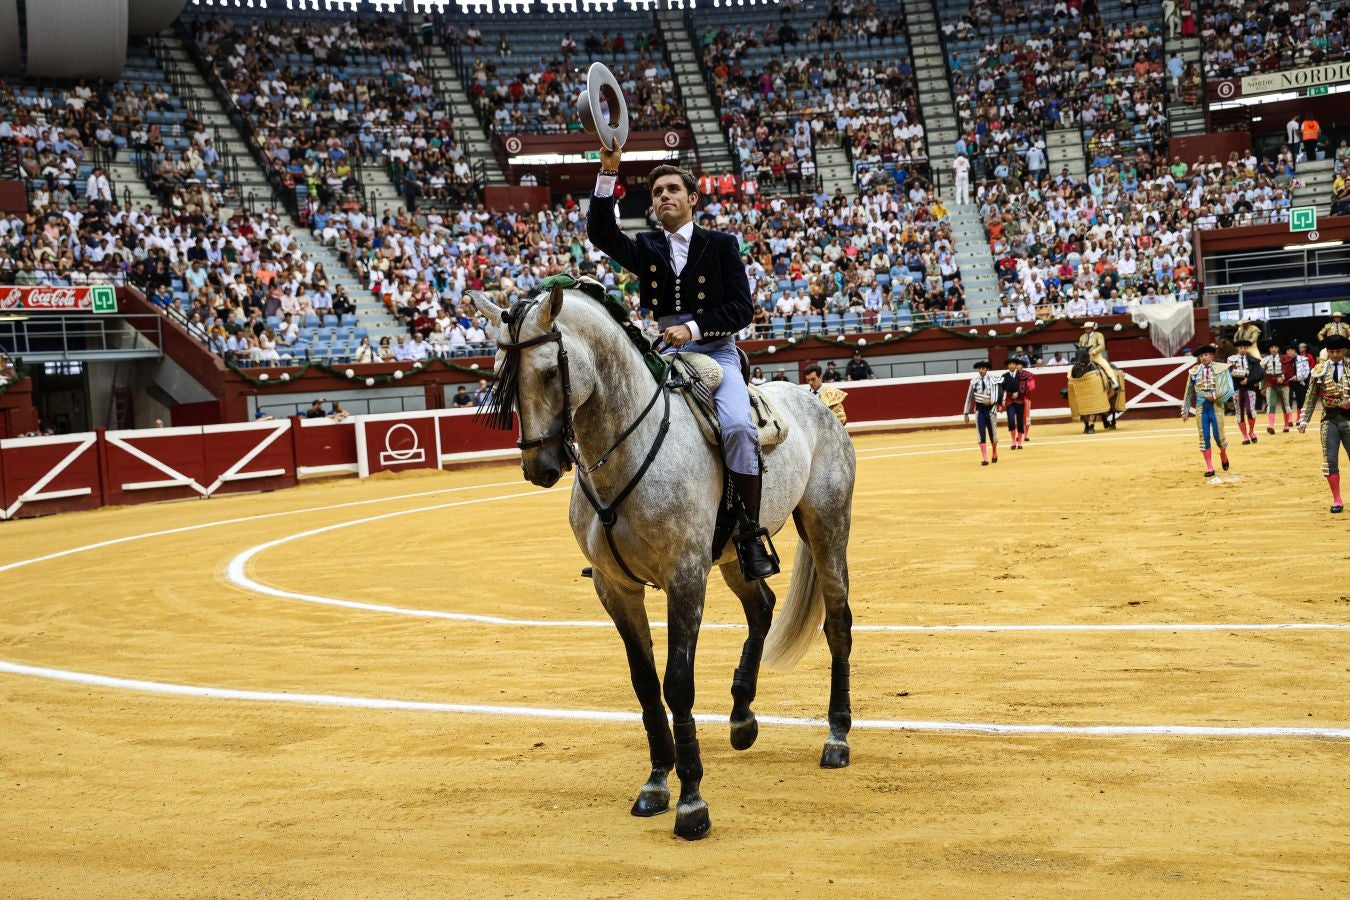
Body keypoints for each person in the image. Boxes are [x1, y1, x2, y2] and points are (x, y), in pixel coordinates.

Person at [588, 147, 777, 579]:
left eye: (672, 189)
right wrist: (608, 171)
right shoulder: (648, 246)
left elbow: (742, 309)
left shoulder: (722, 244)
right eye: (657, 192)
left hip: (717, 350)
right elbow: (601, 232)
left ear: (692, 198)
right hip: (666, 354)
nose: (664, 196)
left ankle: (749, 533)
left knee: (737, 427)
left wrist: (692, 329)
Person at [1297, 334, 1350, 513]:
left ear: (1344, 350)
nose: (1335, 355)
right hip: (1329, 419)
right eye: (1331, 351)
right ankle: (1337, 499)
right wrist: (1304, 419)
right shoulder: (1319, 370)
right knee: (1330, 460)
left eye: (1338, 351)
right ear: (1327, 351)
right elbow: (1311, 396)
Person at [1181, 344, 1234, 477]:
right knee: (1204, 438)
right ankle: (1209, 467)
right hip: (1201, 408)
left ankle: (1223, 454)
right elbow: (1189, 391)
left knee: (1218, 437)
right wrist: (1185, 409)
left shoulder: (1221, 368)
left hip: (1216, 407)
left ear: (1211, 356)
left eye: (1206, 355)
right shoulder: (1194, 371)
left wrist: (1215, 396)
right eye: (1201, 356)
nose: (1203, 358)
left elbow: (1229, 387)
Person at [962, 360, 1001, 466]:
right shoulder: (973, 381)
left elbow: (999, 394)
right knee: (981, 434)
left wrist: (992, 401)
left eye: (983, 368)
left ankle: (994, 452)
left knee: (993, 434)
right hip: (979, 411)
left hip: (991, 410)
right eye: (979, 369)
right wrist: (966, 413)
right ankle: (984, 458)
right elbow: (969, 398)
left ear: (986, 369)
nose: (981, 370)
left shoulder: (993, 380)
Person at [1228, 337, 1263, 444]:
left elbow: (1259, 374)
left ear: (1247, 348)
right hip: (1237, 388)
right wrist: (1239, 380)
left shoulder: (1253, 360)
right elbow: (1229, 373)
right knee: (1239, 412)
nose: (1243, 349)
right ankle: (1245, 436)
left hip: (1250, 387)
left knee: (1250, 411)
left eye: (1245, 347)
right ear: (1237, 348)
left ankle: (1251, 432)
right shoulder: (1231, 360)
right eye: (1240, 347)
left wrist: (1248, 380)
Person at [1261, 342, 1293, 434]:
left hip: (1283, 384)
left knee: (1285, 405)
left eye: (1275, 347)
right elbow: (1262, 375)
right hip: (1271, 385)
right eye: (1272, 347)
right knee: (1271, 405)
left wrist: (1283, 378)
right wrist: (1262, 387)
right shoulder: (1265, 360)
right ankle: (1271, 426)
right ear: (1269, 349)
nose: (1274, 349)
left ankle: (1286, 425)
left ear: (1278, 349)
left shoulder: (1285, 358)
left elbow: (1290, 370)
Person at [1077, 321, 1118, 389]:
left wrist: (1093, 352)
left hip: (1096, 356)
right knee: (1076, 367)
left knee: (1105, 365)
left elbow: (1102, 346)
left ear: (1092, 329)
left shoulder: (1098, 335)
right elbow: (1080, 347)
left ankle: (1113, 381)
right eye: (1085, 328)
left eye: (1088, 328)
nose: (1086, 330)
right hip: (1085, 357)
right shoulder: (1082, 337)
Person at [999, 356, 1026, 449]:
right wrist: (1001, 402)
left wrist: (1018, 393)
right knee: (1011, 420)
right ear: (1008, 366)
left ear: (1016, 365)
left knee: (1020, 421)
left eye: (1013, 364)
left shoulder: (1021, 375)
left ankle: (1020, 442)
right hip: (1009, 401)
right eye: (1010, 364)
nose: (1011, 366)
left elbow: (1025, 388)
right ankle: (1013, 440)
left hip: (1020, 401)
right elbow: (1001, 390)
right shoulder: (1004, 376)